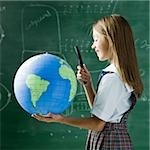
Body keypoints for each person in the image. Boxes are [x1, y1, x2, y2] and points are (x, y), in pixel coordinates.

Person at [32, 14, 143, 149]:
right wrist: (88, 85)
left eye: (96, 40)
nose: (93, 46)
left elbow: (98, 124)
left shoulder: (112, 78)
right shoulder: (121, 73)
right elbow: (101, 113)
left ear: (111, 40)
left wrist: (61, 119)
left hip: (108, 142)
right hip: (116, 140)